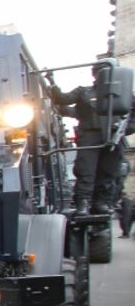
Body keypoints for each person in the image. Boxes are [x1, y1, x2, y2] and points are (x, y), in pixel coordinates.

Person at [51, 72, 126, 216]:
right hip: (89, 136)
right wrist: (53, 84)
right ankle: (83, 202)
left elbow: (132, 112)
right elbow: (62, 99)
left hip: (113, 136)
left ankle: (101, 202)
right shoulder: (83, 92)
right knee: (86, 171)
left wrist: (126, 129)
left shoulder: (122, 94)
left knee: (108, 172)